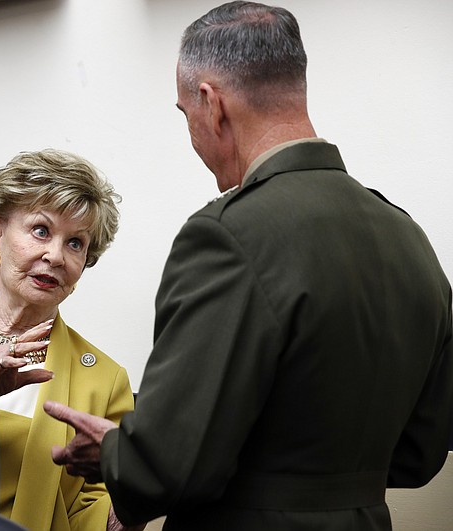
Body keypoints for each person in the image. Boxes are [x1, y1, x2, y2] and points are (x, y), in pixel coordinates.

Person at [44, 2, 453, 530]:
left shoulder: (226, 235)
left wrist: (115, 453)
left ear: (211, 104)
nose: (192, 132)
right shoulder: (409, 239)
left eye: (185, 112)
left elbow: (170, 468)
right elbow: (421, 453)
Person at [0, 149, 142, 531]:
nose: (55, 256)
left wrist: (140, 493)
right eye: (41, 230)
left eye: (75, 243)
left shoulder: (105, 380)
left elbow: (98, 510)